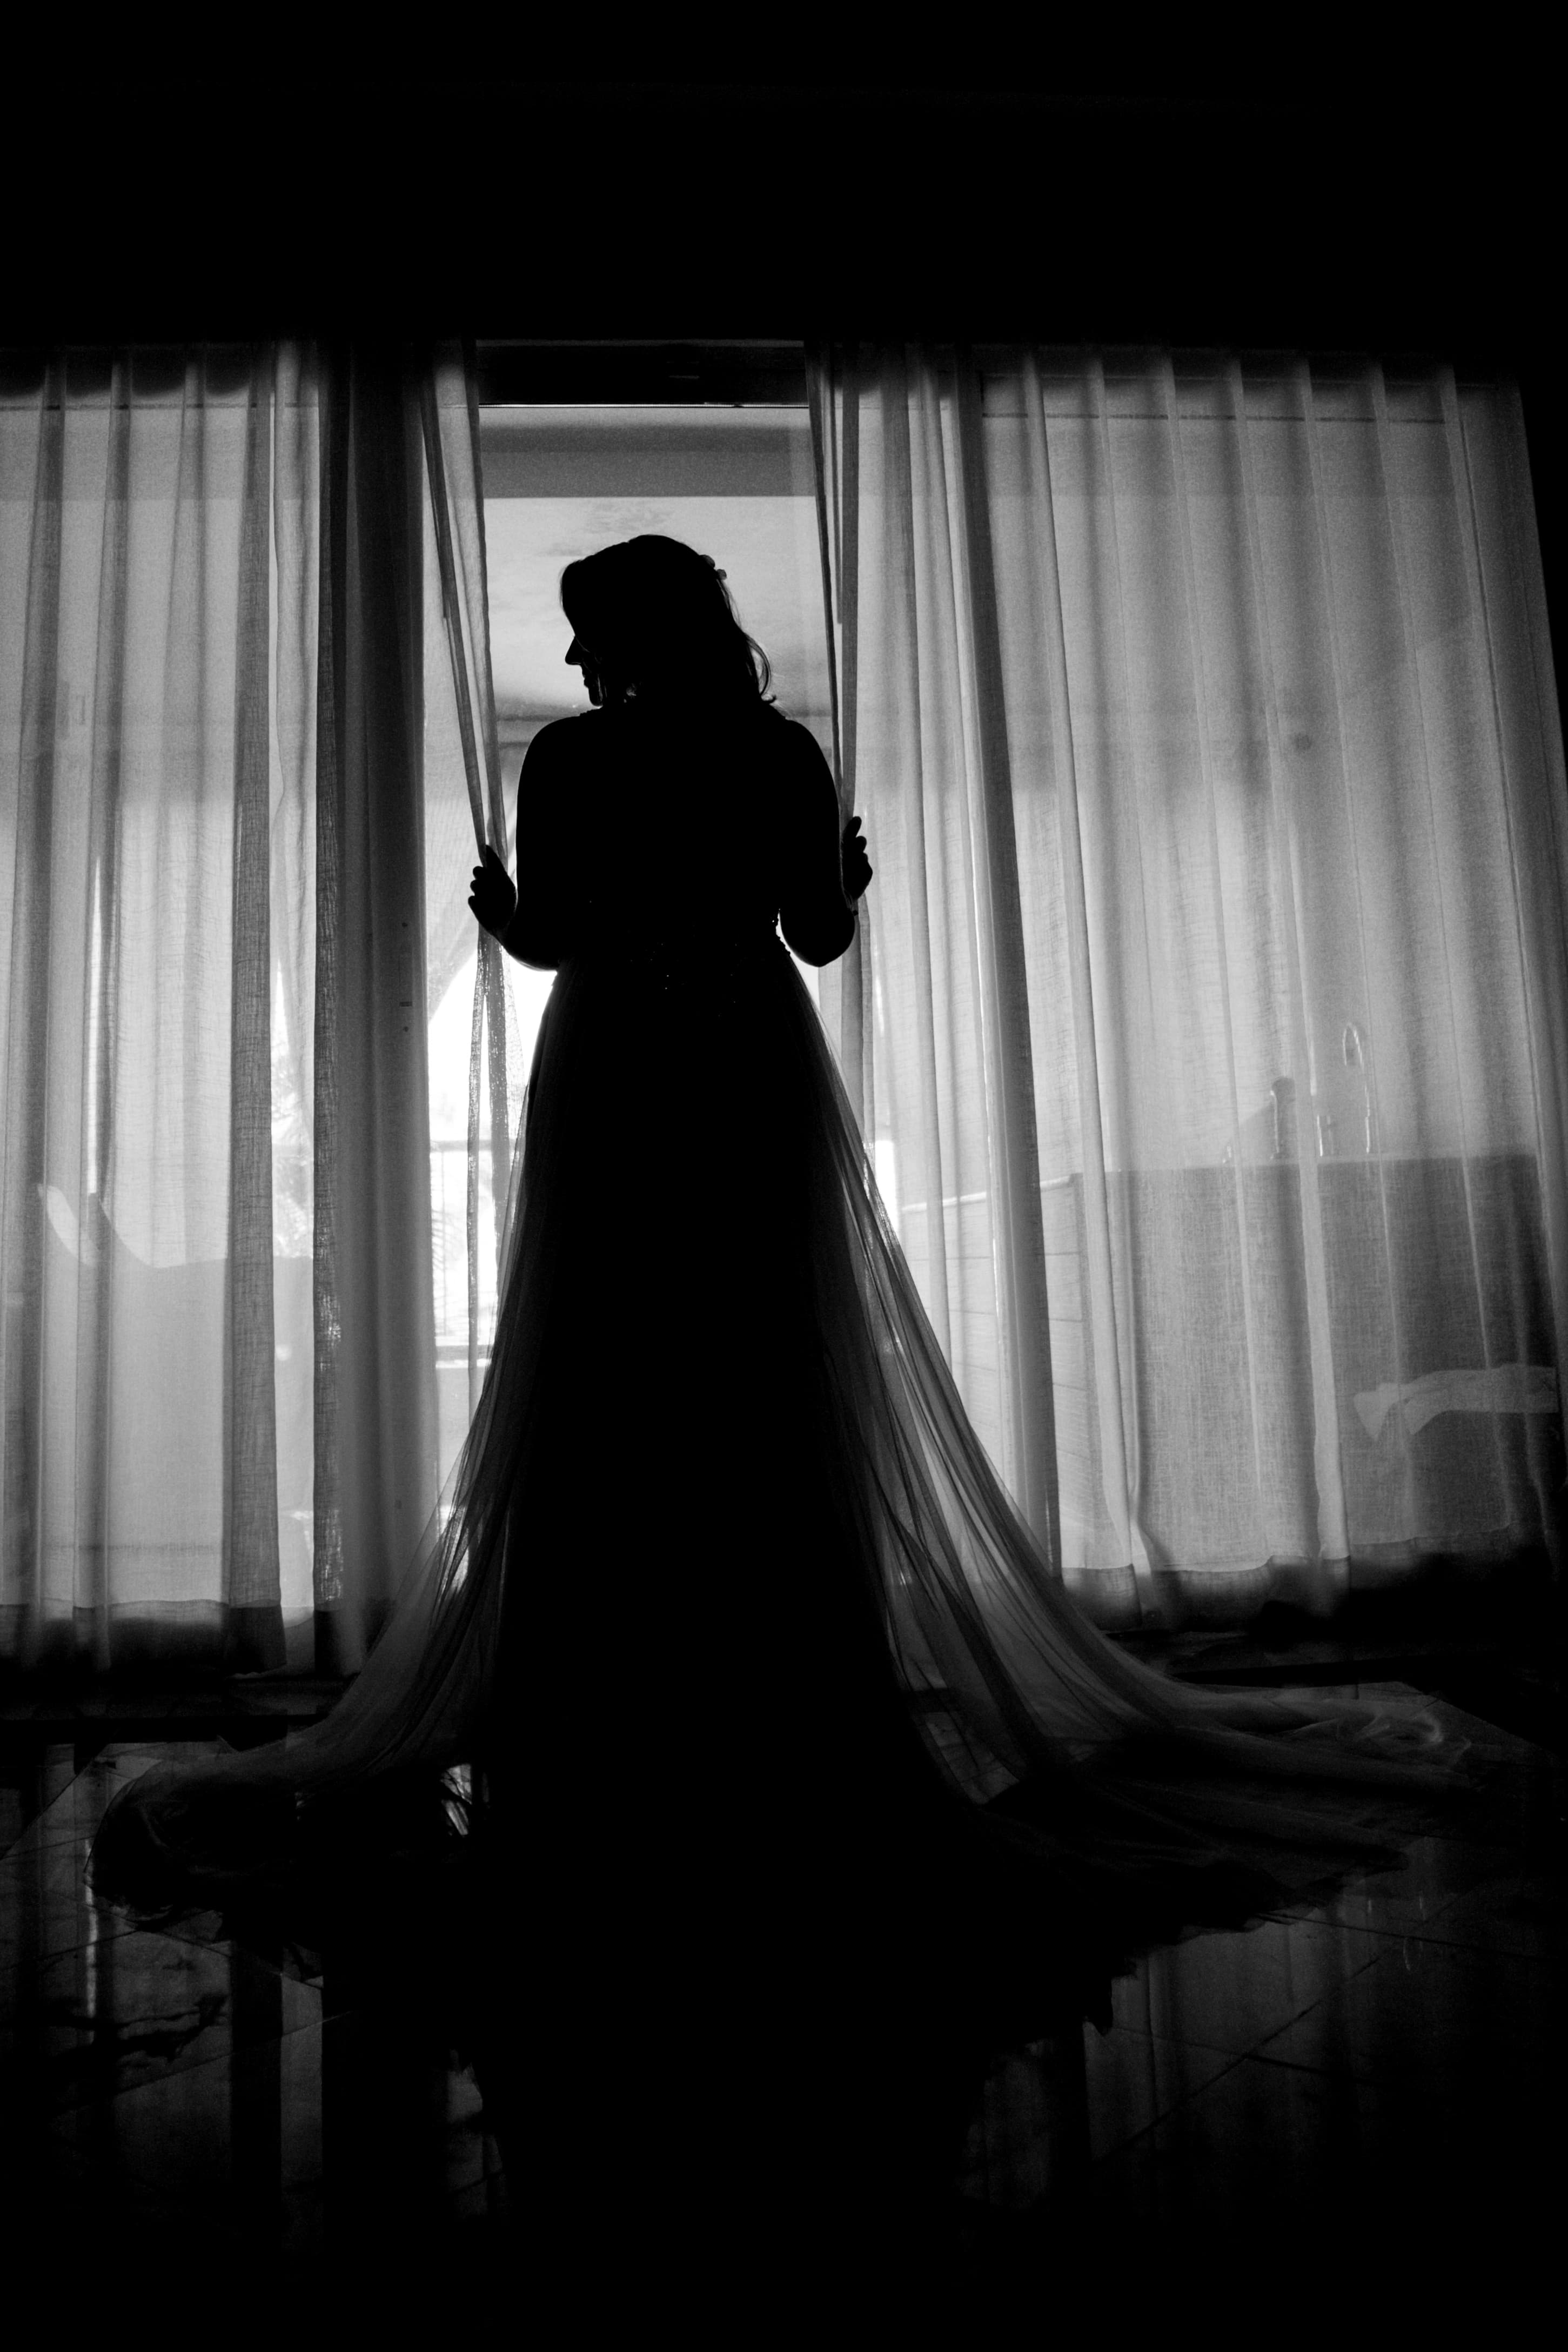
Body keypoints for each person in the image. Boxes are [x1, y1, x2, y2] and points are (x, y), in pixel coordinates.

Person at [90, 533, 1472, 2006]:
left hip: (619, 1068)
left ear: (626, 636)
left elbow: (556, 940)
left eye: (585, 634)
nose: (570, 665)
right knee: (763, 1369)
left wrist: (506, 922)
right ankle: (785, 1711)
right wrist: (841, 883)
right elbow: (813, 936)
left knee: (609, 1372)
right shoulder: (778, 751)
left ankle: (607, 1717)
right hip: (747, 1064)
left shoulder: (567, 760)